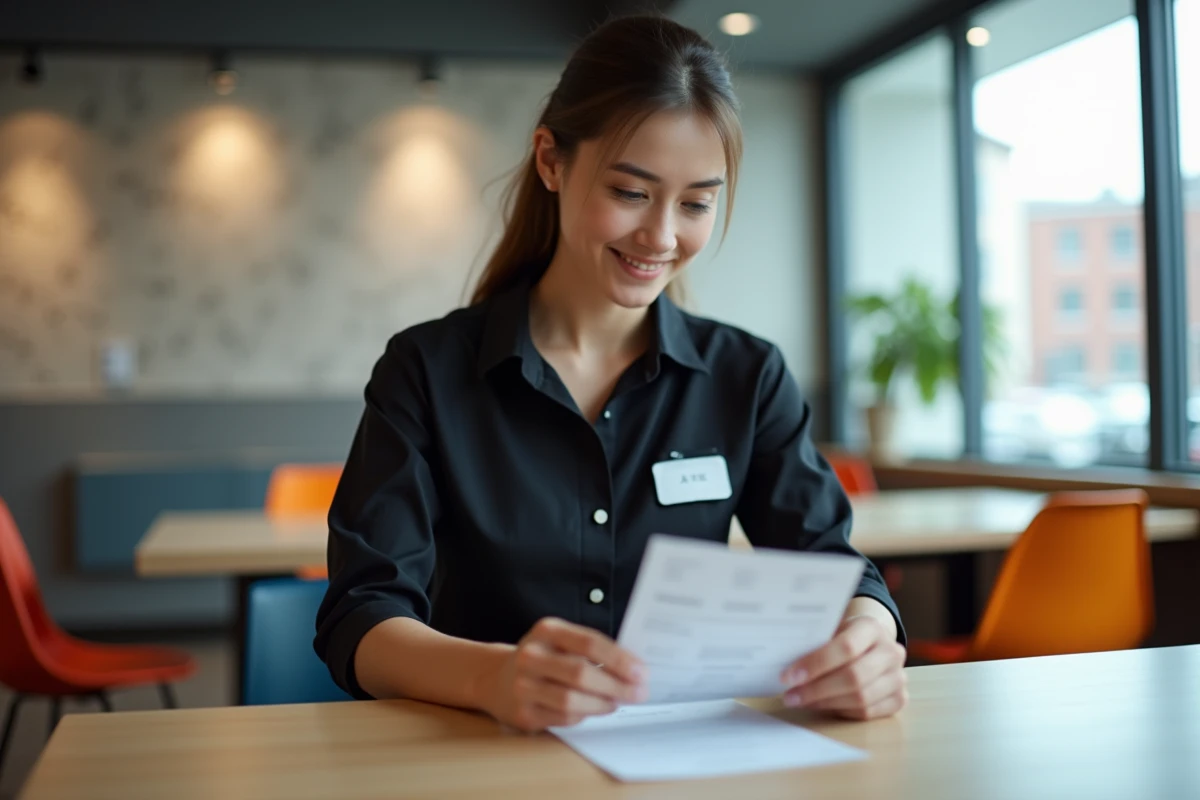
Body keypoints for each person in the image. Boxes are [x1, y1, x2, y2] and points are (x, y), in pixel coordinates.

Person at [315, 14, 907, 733]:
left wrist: (869, 635)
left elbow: (833, 568)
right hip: (483, 755)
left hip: (685, 760)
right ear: (551, 161)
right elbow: (361, 615)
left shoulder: (747, 376)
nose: (661, 237)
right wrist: (494, 675)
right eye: (630, 192)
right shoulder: (427, 371)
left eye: (695, 204)